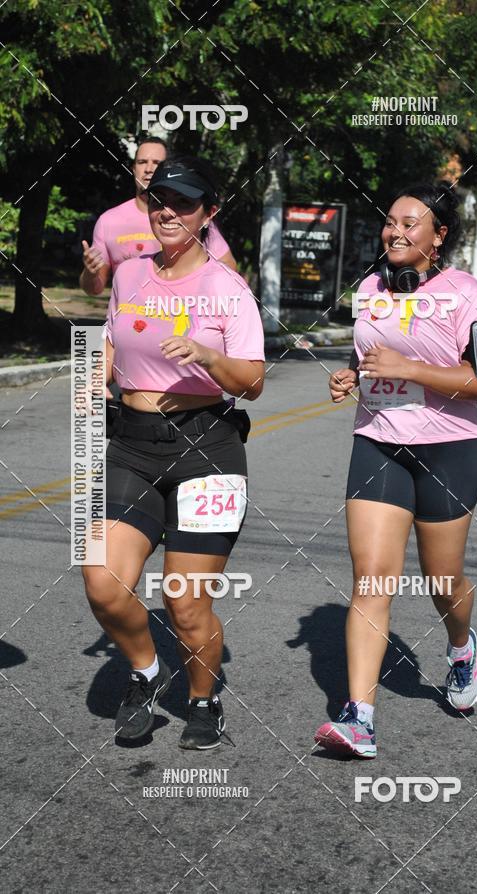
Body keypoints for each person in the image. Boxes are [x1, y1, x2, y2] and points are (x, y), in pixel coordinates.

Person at [82, 155, 265, 749]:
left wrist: (209, 357)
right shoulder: (131, 275)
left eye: (183, 203)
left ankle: (204, 699)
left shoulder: (227, 288)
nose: (167, 211)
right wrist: (96, 377)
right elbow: (113, 342)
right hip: (131, 445)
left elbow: (253, 382)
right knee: (103, 582)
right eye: (160, 199)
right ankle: (146, 670)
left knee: (185, 604)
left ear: (208, 213)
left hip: (207, 448)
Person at [314, 183, 477, 759]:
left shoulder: (468, 294)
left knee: (443, 580)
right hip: (378, 443)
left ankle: (461, 647)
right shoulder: (370, 288)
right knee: (371, 579)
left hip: (450, 449)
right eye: (390, 221)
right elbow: (369, 353)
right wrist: (352, 375)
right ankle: (359, 718)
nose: (394, 230)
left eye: (410, 222)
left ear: (439, 236)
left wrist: (409, 368)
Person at [80, 137, 237, 297]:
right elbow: (94, 289)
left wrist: (193, 298)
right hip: (130, 311)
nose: (148, 169)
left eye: (156, 163)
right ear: (133, 168)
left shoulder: (191, 219)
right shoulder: (109, 221)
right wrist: (90, 273)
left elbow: (228, 267)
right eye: (142, 162)